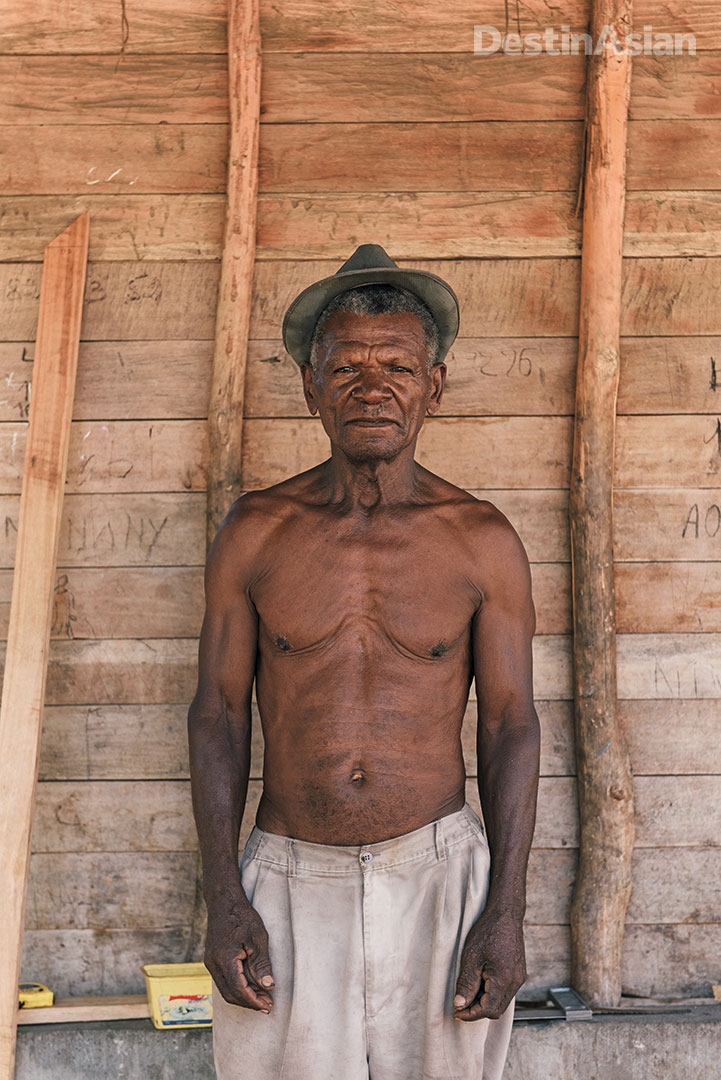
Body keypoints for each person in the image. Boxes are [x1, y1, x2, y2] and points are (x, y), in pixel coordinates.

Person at [188, 244, 540, 1080]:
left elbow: (511, 725)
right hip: (288, 877)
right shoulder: (257, 531)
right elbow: (217, 714)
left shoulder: (480, 541)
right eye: (343, 366)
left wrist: (507, 913)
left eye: (397, 366)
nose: (371, 386)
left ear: (434, 385)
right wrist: (223, 897)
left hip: (440, 878)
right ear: (310, 387)